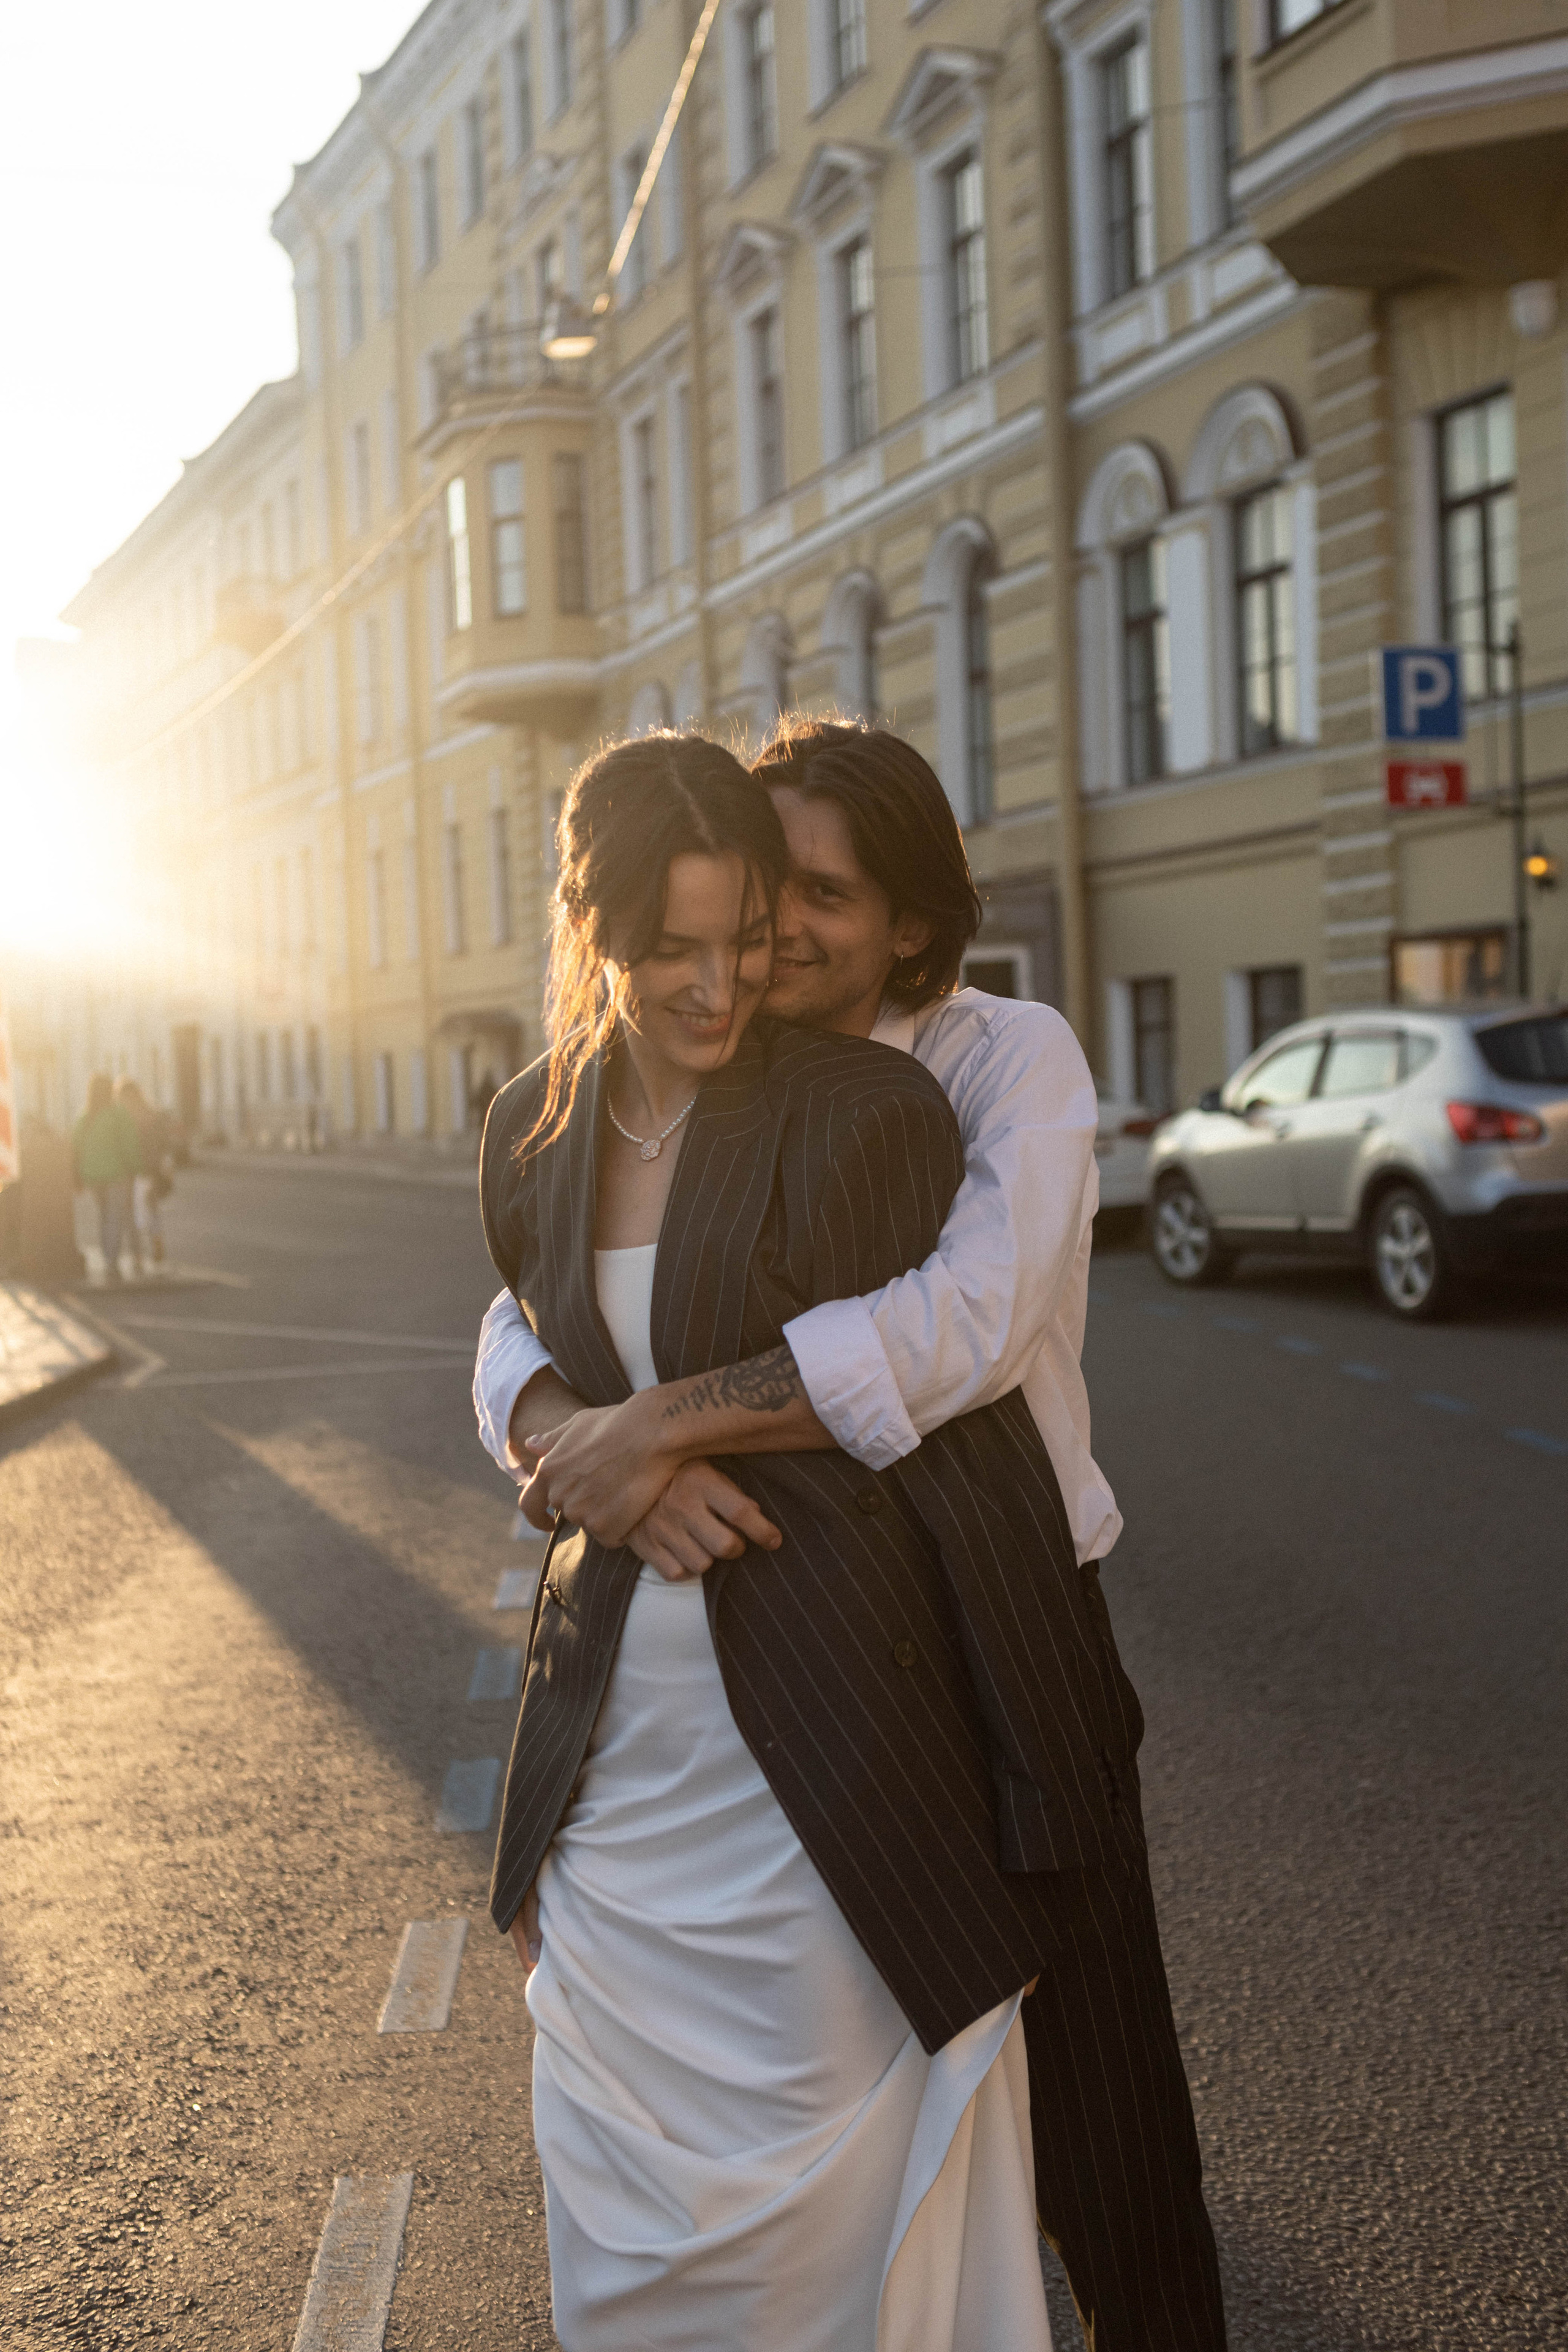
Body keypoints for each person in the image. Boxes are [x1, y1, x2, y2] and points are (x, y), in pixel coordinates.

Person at [478, 719, 1226, 2351]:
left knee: (1099, 2095)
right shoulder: (702, 1074)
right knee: (900, 2081)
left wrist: (658, 1425)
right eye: (758, 902)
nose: (773, 942)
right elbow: (537, 1302)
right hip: (805, 1640)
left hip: (1010, 1608)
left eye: (815, 898)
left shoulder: (992, 1061)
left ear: (907, 920)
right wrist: (569, 1440)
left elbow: (956, 1324)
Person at [72, 1073, 140, 1285]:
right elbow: (130, 1145)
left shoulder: (85, 1118)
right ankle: (111, 1261)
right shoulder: (118, 1115)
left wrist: (78, 1177)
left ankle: (108, 1257)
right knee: (115, 1217)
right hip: (116, 1175)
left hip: (92, 1176)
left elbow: (75, 1149)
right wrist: (137, 1169)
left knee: (105, 1216)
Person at [116, 1078, 174, 1273]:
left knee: (134, 1212)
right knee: (151, 1209)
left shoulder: (125, 1118)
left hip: (135, 1170)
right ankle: (156, 1245)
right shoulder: (151, 1114)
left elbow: (126, 1147)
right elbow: (163, 1145)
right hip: (151, 1170)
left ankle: (139, 1254)